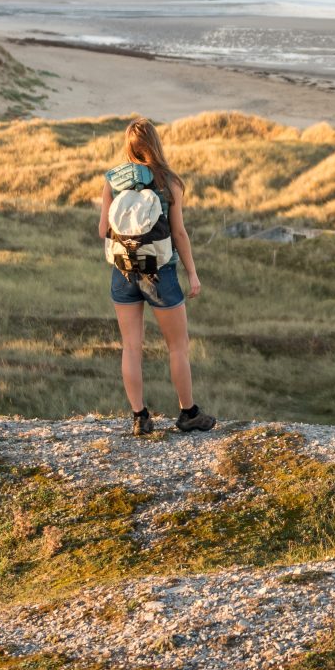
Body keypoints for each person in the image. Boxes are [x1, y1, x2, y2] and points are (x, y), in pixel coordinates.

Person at [99, 117, 213, 437]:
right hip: (160, 272)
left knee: (131, 347)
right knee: (177, 347)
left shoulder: (112, 180)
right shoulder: (169, 181)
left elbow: (101, 230)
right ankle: (188, 413)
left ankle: (139, 417)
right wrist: (192, 274)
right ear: (155, 143)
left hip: (122, 271)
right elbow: (178, 232)